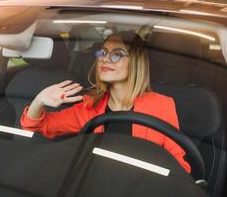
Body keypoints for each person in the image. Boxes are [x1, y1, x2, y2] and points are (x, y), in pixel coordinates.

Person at [20, 31, 191, 173]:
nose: (105, 59)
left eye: (116, 54)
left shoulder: (162, 105)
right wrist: (39, 100)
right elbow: (35, 126)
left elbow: (178, 166)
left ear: (135, 62)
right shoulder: (89, 107)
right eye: (102, 52)